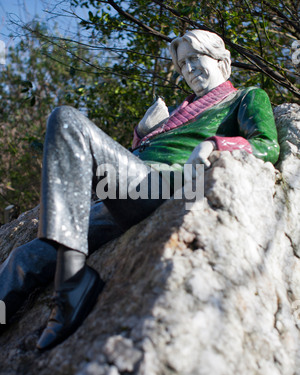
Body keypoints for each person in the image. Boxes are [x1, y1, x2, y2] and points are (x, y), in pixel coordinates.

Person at [0, 30, 280, 351]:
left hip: (165, 186)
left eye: (195, 58)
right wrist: (143, 134)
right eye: (183, 63)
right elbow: (137, 157)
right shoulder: (176, 110)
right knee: (25, 257)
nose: (188, 69)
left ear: (222, 62)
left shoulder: (244, 97)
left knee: (65, 119)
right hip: (126, 194)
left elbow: (267, 145)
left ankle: (72, 282)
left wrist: (215, 144)